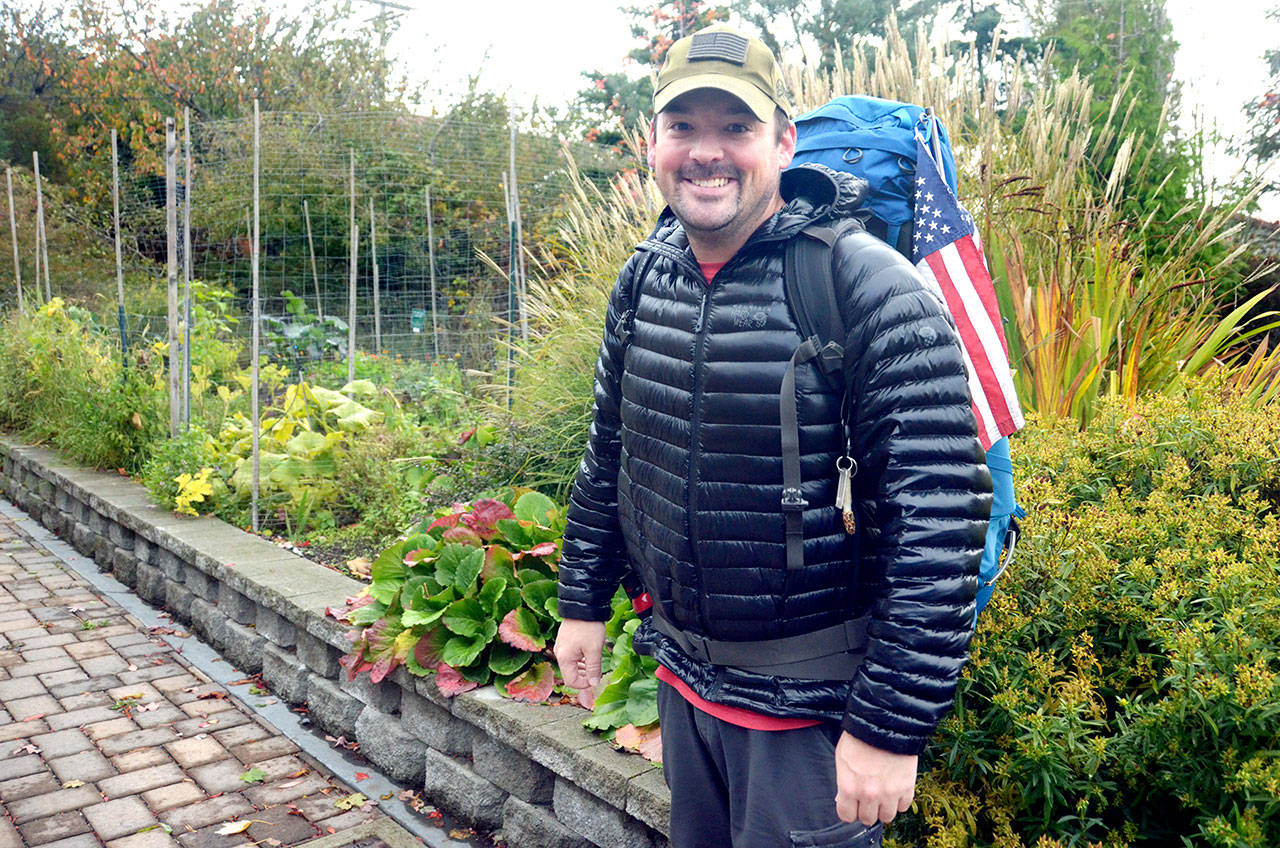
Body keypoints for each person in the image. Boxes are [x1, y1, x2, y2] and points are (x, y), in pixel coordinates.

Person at [554, 23, 991, 848]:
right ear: (653, 142)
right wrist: (582, 600)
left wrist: (890, 727)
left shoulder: (866, 286)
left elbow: (939, 522)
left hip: (808, 720)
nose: (706, 153)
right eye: (684, 127)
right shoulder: (648, 275)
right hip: (686, 687)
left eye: (736, 128)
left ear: (784, 141)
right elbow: (610, 450)